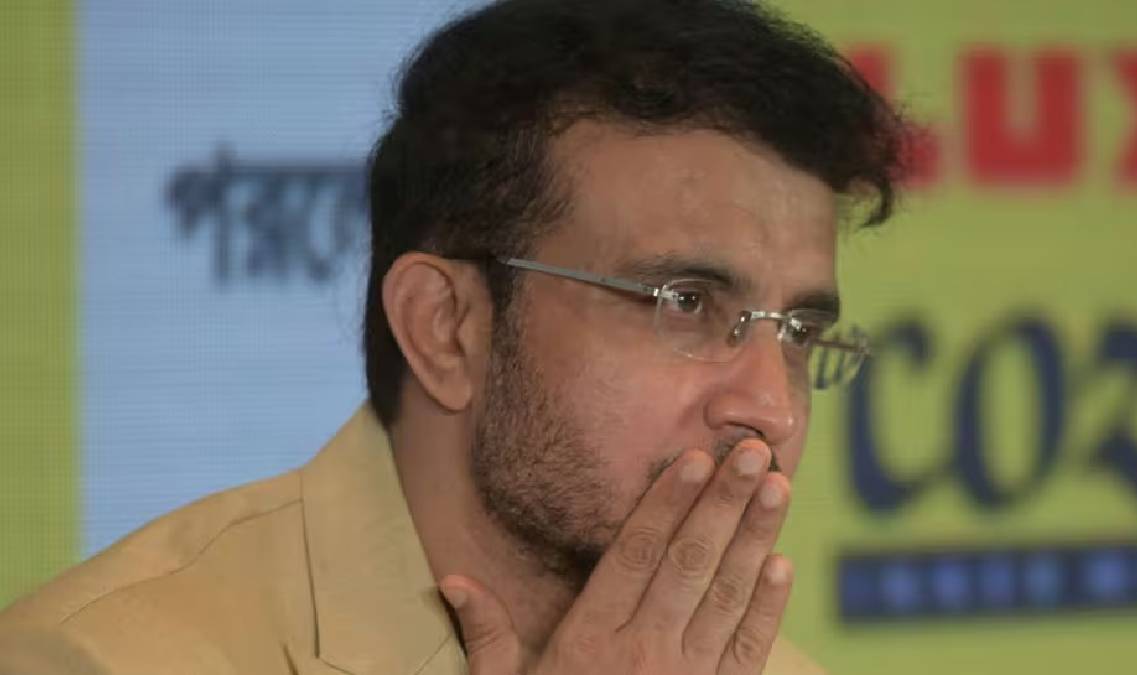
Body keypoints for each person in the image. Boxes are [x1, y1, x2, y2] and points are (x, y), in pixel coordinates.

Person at [0, 0, 908, 673]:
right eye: (685, 300)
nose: (770, 408)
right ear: (445, 327)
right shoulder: (96, 656)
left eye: (798, 331)